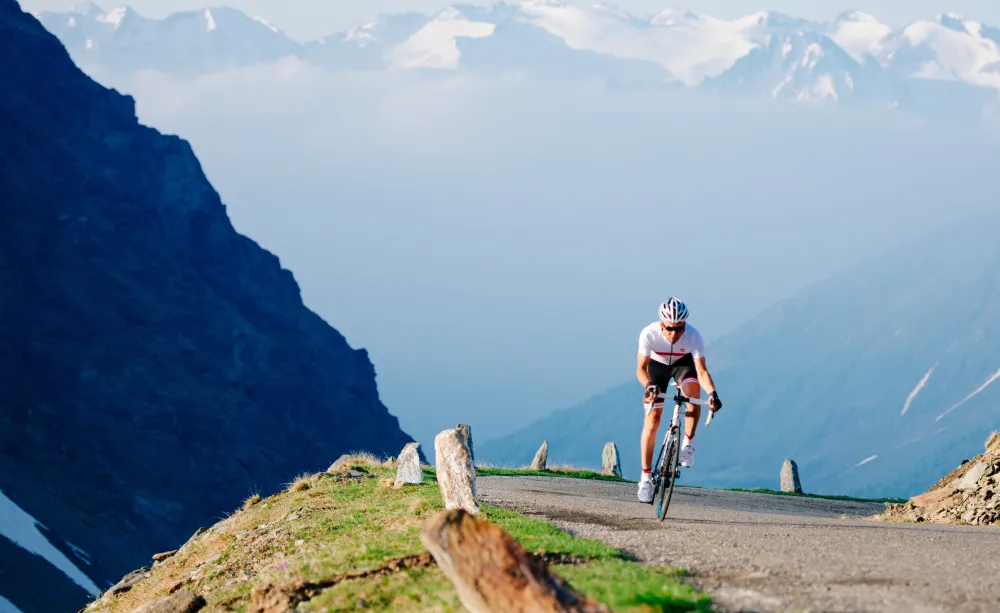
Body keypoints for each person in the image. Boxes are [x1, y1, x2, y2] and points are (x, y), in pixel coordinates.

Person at [635, 297, 722, 503]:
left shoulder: (693, 336)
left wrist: (713, 394)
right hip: (657, 368)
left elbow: (701, 371)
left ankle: (688, 444)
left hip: (683, 365)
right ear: (661, 324)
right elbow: (640, 369)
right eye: (669, 328)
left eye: (679, 328)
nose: (674, 334)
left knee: (693, 392)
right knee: (653, 420)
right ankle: (646, 478)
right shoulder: (649, 333)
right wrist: (649, 386)